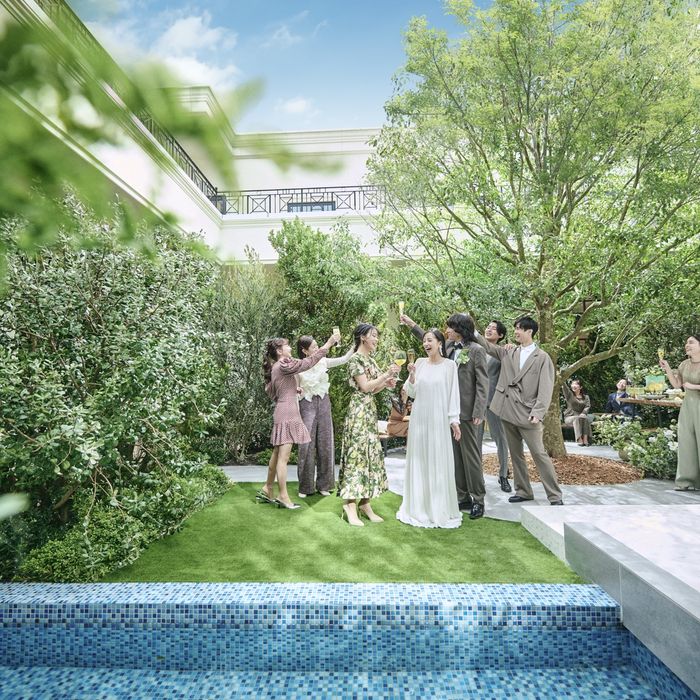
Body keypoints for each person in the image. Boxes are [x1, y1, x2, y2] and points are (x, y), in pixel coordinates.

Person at [402, 312, 489, 520]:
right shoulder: (449, 347)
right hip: (444, 412)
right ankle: (462, 496)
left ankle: (478, 499)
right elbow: (431, 340)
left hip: (467, 412)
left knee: (471, 457)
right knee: (455, 458)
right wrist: (412, 324)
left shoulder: (476, 350)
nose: (447, 330)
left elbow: (483, 383)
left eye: (450, 327)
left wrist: (479, 411)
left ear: (460, 329)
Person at [474, 316, 564, 505]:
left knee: (539, 454)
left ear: (529, 331)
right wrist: (471, 328)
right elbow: (488, 346)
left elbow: (546, 388)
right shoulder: (508, 352)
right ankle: (523, 491)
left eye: (519, 329)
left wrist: (538, 412)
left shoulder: (542, 357)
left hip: (529, 414)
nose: (515, 332)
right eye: (515, 328)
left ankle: (555, 495)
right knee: (516, 455)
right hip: (507, 411)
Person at [260, 331, 340, 509]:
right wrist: (328, 344)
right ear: (280, 351)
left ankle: (267, 487)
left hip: (283, 410)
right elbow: (308, 363)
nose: (290, 347)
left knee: (276, 454)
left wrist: (291, 391)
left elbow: (274, 392)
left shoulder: (277, 367)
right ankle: (283, 496)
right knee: (283, 458)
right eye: (287, 345)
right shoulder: (283, 364)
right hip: (288, 414)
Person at [396, 329, 462, 529]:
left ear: (440, 343)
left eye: (430, 340)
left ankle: (438, 508)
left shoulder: (450, 366)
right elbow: (411, 392)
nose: (426, 343)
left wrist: (454, 420)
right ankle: (418, 507)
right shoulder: (419, 363)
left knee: (438, 459)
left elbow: (453, 394)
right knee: (420, 460)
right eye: (424, 340)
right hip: (419, 419)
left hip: (438, 419)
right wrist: (412, 375)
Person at [337, 323, 398, 526]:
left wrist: (386, 382)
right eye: (373, 336)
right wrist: (384, 375)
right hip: (358, 412)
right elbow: (364, 387)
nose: (376, 339)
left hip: (369, 411)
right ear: (362, 337)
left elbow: (373, 389)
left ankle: (365, 503)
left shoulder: (370, 359)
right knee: (357, 455)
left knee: (369, 455)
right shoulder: (355, 359)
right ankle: (349, 504)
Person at [296, 336, 354, 498]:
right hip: (306, 404)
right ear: (304, 351)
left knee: (326, 443)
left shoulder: (323, 362)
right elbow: (295, 388)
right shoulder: (299, 365)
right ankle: (305, 487)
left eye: (317, 346)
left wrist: (354, 346)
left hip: (323, 402)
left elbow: (344, 359)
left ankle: (325, 485)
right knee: (306, 445)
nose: (317, 349)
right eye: (313, 347)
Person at [659, 333, 700, 491]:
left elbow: (689, 386)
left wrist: (694, 386)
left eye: (691, 342)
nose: (687, 345)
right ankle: (685, 481)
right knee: (686, 442)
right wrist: (667, 368)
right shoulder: (684, 364)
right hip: (688, 406)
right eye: (686, 343)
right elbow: (677, 385)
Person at [478, 320, 512, 492]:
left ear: (501, 335)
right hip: (476, 403)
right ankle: (477, 478)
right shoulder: (475, 349)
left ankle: (503, 475)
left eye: (493, 329)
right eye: (488, 327)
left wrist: (511, 348)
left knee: (501, 439)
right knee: (475, 441)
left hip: (494, 402)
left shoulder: (502, 352)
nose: (489, 329)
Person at [562, 379, 594, 446]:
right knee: (577, 418)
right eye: (572, 384)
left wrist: (583, 413)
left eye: (576, 384)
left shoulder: (586, 397)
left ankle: (585, 439)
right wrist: (562, 379)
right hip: (570, 417)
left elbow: (587, 406)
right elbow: (565, 388)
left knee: (585, 418)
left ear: (580, 387)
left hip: (582, 416)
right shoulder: (569, 395)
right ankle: (579, 439)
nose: (574, 386)